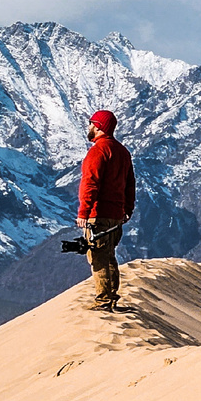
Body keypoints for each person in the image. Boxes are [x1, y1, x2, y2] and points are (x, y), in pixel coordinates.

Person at [76, 110, 135, 312]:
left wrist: (84, 212)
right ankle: (111, 298)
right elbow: (130, 184)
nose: (89, 127)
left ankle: (103, 302)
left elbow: (90, 183)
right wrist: (127, 209)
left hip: (98, 214)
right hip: (116, 216)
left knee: (98, 257)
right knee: (109, 255)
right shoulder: (122, 152)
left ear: (99, 126)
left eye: (91, 123)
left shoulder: (98, 151)